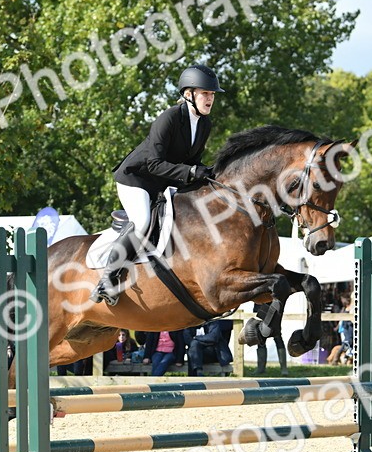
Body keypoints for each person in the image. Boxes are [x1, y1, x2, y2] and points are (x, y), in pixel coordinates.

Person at [90, 64, 224, 305]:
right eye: (205, 93)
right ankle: (107, 280)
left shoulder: (204, 124)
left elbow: (191, 161)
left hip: (163, 183)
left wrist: (209, 173)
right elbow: (153, 163)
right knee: (142, 221)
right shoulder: (169, 118)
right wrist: (191, 171)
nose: (210, 98)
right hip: (136, 178)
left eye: (212, 94)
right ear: (188, 94)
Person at [252, 302, 288, 375]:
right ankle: (261, 368)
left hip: (274, 307)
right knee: (260, 338)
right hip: (260, 307)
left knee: (277, 336)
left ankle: (284, 368)